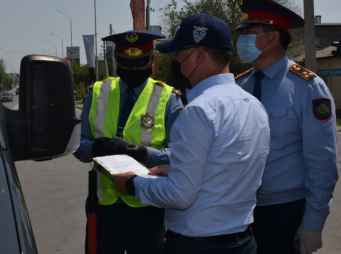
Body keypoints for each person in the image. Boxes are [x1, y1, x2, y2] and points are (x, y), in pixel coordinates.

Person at [111, 13, 270, 254]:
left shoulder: (199, 111)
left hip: (198, 246)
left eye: (178, 54)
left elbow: (179, 195)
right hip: (243, 242)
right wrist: (176, 167)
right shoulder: (253, 104)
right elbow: (227, 166)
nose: (176, 61)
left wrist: (132, 184)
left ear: (198, 56)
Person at [233, 0, 339, 254]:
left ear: (272, 37)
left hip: (284, 211)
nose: (241, 40)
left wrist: (313, 222)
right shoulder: (239, 85)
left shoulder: (307, 87)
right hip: (237, 210)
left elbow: (322, 163)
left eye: (248, 32)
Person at [73, 30, 183, 254]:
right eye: (125, 62)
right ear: (116, 61)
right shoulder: (97, 93)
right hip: (103, 209)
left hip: (147, 206)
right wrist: (93, 148)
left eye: (140, 62)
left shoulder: (168, 99)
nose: (133, 69)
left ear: (152, 59)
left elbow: (181, 155)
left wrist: (145, 153)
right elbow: (77, 144)